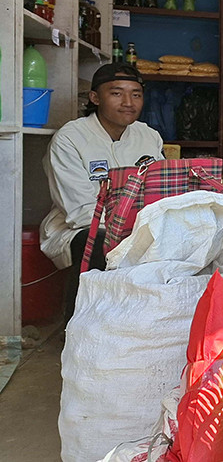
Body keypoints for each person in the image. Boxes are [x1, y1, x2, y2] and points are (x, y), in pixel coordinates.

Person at [40, 63, 163, 314]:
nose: (128, 102)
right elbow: (80, 210)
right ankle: (77, 324)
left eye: (136, 94)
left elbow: (160, 191)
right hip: (81, 226)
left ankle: (146, 321)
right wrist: (135, 231)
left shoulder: (148, 136)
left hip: (141, 224)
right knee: (99, 241)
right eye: (116, 93)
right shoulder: (70, 139)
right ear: (95, 98)